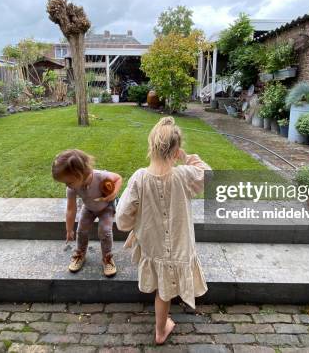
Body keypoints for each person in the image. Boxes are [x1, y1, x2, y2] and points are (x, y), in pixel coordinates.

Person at [115, 117, 210, 345]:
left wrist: (134, 225)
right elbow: (209, 173)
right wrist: (188, 158)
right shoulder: (185, 175)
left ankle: (162, 326)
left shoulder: (139, 178)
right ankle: (160, 329)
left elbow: (121, 219)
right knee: (164, 290)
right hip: (179, 246)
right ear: (176, 150)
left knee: (161, 288)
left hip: (153, 245)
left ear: (151, 146)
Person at [52, 149, 122, 277]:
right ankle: (80, 254)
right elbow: (71, 209)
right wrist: (69, 230)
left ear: (80, 174)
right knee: (81, 230)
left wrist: (113, 194)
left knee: (105, 230)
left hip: (106, 207)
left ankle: (107, 257)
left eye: (68, 182)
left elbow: (118, 178)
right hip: (89, 208)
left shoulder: (101, 176)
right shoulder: (72, 188)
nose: (67, 185)